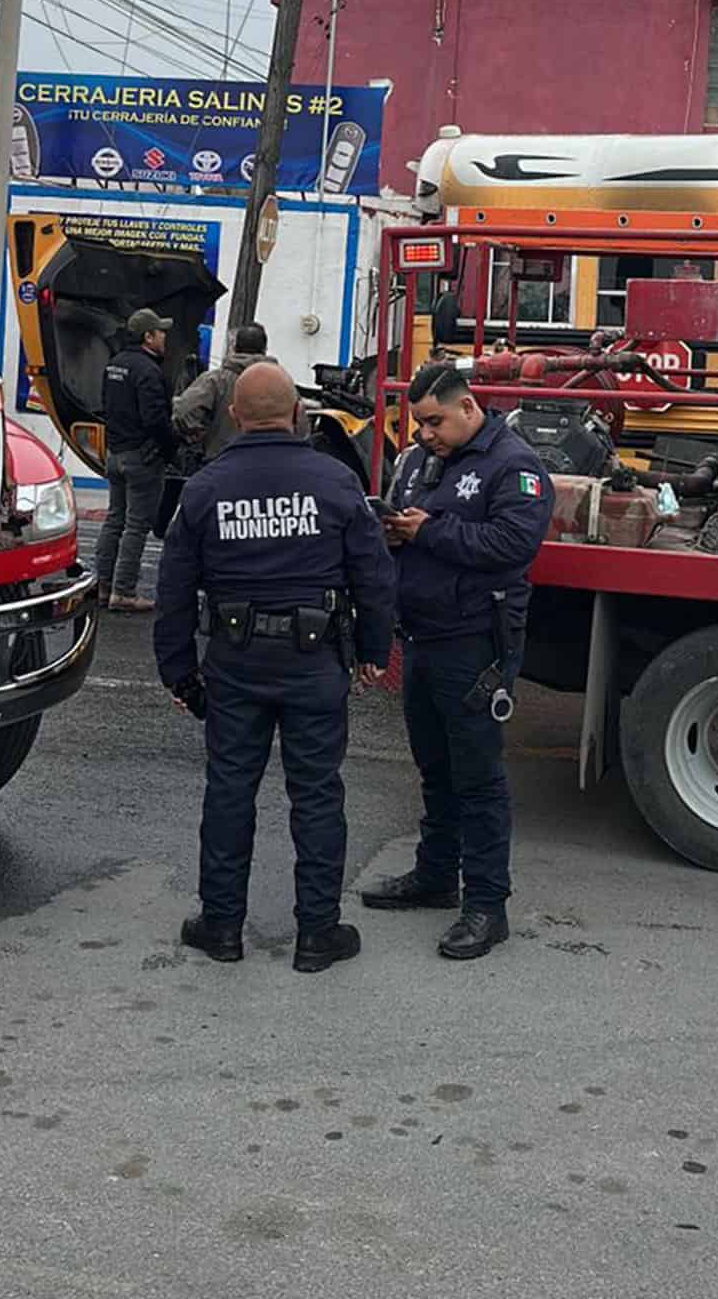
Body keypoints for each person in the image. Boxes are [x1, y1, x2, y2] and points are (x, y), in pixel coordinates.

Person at [154, 362, 397, 974]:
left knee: (230, 791)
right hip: (315, 664)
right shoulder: (335, 481)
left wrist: (179, 673)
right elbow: (373, 574)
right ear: (296, 414)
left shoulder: (205, 488)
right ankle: (317, 934)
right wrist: (373, 651)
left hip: (235, 665)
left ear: (234, 416)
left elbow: (175, 590)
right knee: (316, 795)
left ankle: (221, 926)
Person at [360, 358, 554, 959]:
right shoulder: (420, 462)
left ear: (468, 407)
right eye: (418, 424)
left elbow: (512, 547)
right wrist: (393, 531)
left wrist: (428, 533)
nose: (423, 435)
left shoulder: (514, 465)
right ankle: (435, 876)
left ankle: (487, 906)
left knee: (478, 777)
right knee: (434, 769)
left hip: (474, 641)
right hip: (420, 636)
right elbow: (408, 522)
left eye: (434, 422)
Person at [97, 309, 180, 612]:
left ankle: (102, 586)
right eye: (160, 332)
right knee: (136, 525)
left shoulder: (114, 365)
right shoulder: (148, 370)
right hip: (141, 459)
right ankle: (124, 592)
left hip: (115, 453)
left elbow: (104, 405)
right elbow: (155, 418)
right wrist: (172, 447)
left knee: (114, 519)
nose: (164, 337)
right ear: (148, 336)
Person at [174, 322, 281, 469]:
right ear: (264, 349)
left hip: (221, 461)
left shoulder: (215, 380)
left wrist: (198, 436)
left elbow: (183, 412)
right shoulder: (281, 382)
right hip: (268, 464)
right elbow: (300, 425)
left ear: (235, 347)